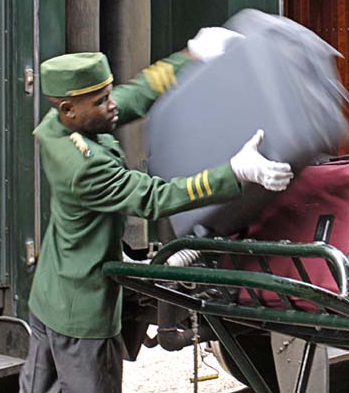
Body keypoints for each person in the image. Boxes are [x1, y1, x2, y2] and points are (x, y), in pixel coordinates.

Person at [19, 27, 292, 393]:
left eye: (107, 94)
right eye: (100, 101)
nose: (111, 105)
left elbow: (133, 95)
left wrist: (190, 55)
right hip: (82, 314)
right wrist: (234, 172)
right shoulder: (84, 166)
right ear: (70, 108)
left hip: (50, 296)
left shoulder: (59, 124)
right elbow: (152, 198)